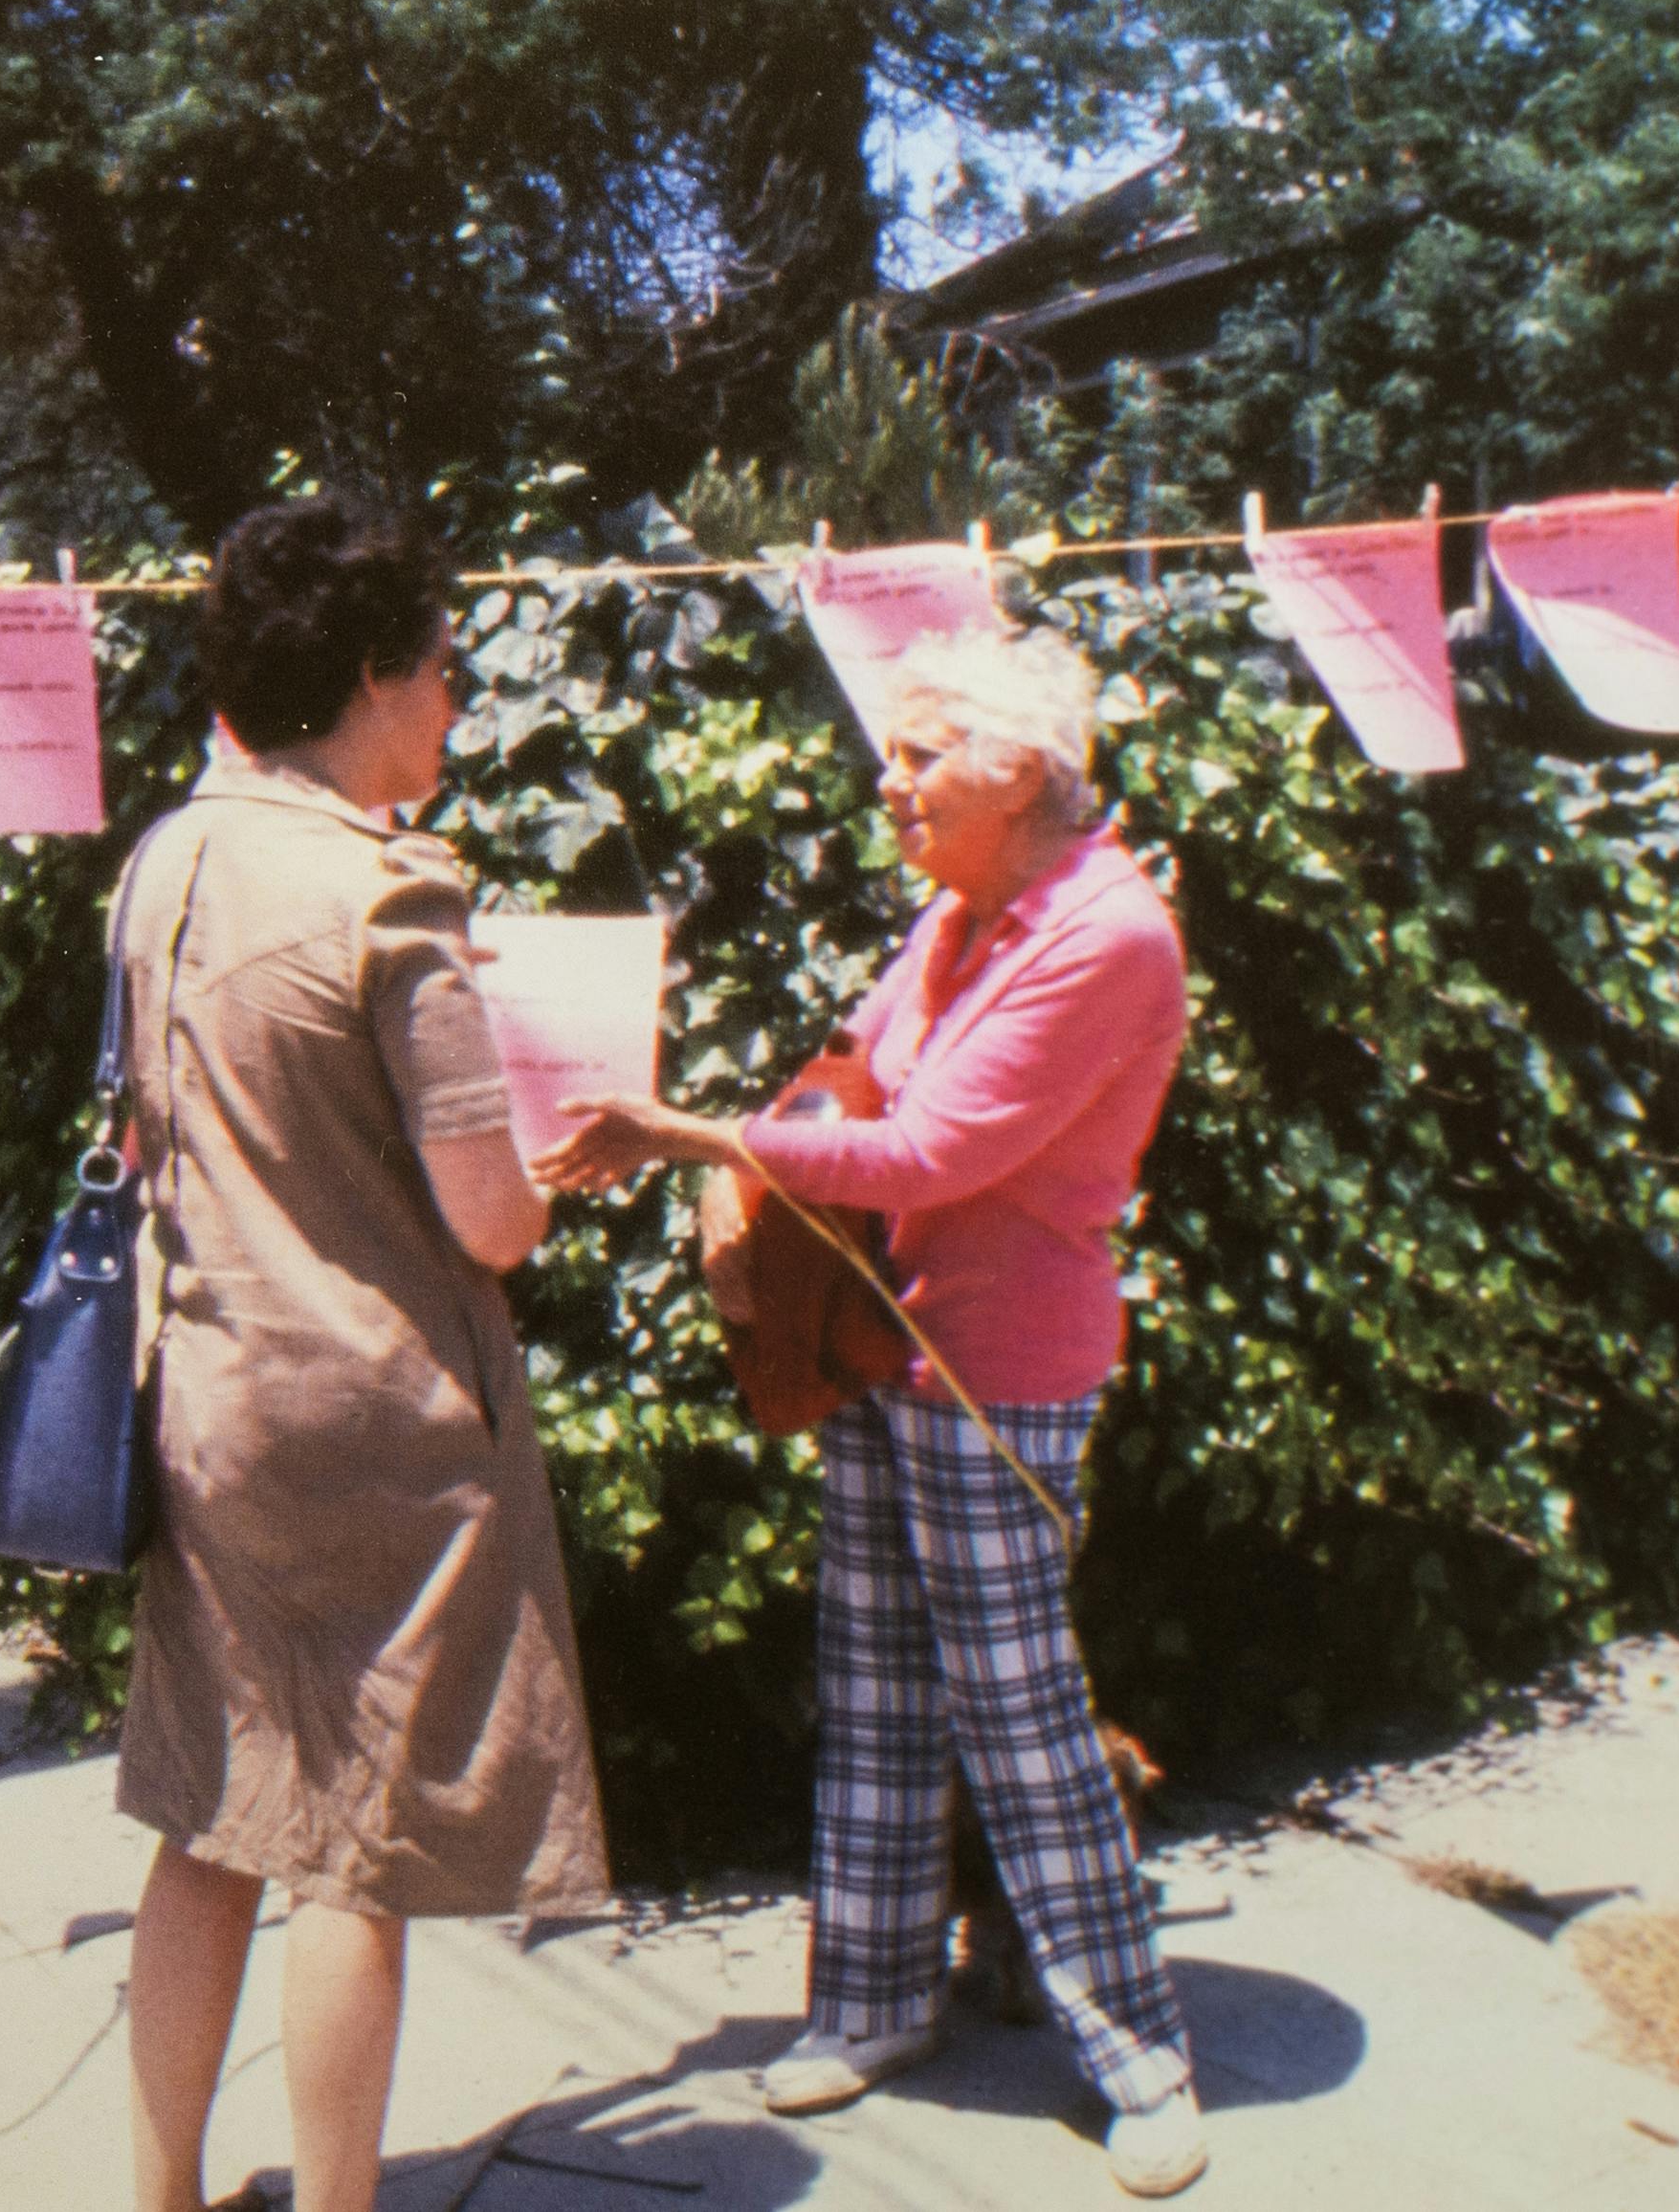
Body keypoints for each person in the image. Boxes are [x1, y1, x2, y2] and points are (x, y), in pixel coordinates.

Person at [535, 629, 1207, 2198]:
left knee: (1023, 1721)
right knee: (883, 1688)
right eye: (891, 755)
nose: (886, 785)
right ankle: (877, 2001)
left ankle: (1140, 2052)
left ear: (1022, 770)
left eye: (919, 757)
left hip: (998, 1375)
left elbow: (929, 1157)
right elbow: (865, 1085)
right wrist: (759, 1159)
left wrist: (706, 1142)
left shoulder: (1107, 937)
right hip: (885, 1349)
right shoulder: (962, 914)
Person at [111, 494, 608, 2212]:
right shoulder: (392, 893)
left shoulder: (165, 857)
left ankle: (162, 2194)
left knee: (212, 1815)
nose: (458, 704)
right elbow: (490, 1224)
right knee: (358, 1855)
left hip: (207, 1398)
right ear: (375, 678)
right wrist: (565, 1155)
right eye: (445, 671)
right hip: (378, 1430)